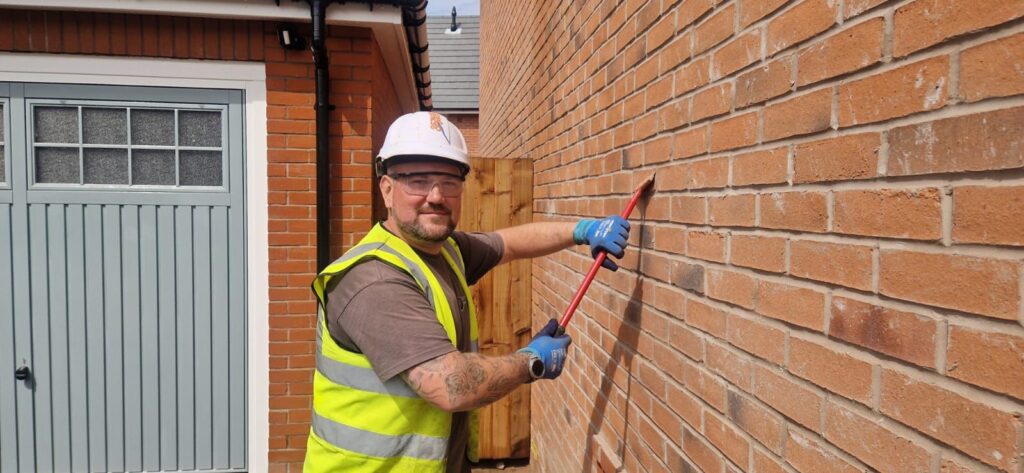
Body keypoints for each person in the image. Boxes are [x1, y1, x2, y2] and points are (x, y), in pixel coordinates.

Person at [303, 111, 631, 472]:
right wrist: (531, 362)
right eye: (417, 181)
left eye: (449, 182)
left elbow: (508, 243)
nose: (436, 196)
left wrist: (584, 230)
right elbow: (450, 385)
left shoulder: (445, 251)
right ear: (387, 189)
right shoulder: (374, 280)